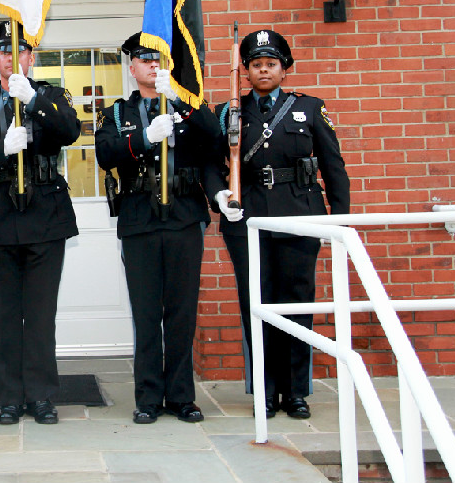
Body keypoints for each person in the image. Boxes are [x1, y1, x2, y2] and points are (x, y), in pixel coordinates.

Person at [214, 29, 350, 420]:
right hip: (249, 219)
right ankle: (265, 390)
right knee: (256, 304)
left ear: (285, 69)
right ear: (245, 71)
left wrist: (340, 221)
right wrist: (220, 197)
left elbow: (333, 167)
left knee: (297, 302)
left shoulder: (310, 108)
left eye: (271, 64)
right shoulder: (230, 112)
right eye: (255, 65)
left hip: (300, 214)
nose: (263, 71)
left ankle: (295, 391)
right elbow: (210, 162)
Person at [0, 21, 80, 426]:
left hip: (45, 214)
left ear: (31, 56)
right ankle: (8, 397)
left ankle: (41, 396)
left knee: (40, 317)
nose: (12, 58)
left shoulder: (52, 95)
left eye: (19, 51)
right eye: (5, 52)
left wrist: (35, 99)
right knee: (5, 316)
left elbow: (69, 131)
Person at [94, 32, 227, 424]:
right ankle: (149, 396)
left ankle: (182, 396)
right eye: (145, 60)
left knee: (182, 311)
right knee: (147, 311)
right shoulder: (118, 114)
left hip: (184, 216)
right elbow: (105, 153)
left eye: (159, 60)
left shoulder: (187, 107)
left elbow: (215, 138)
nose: (153, 66)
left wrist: (185, 96)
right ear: (132, 68)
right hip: (140, 219)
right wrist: (144, 138)